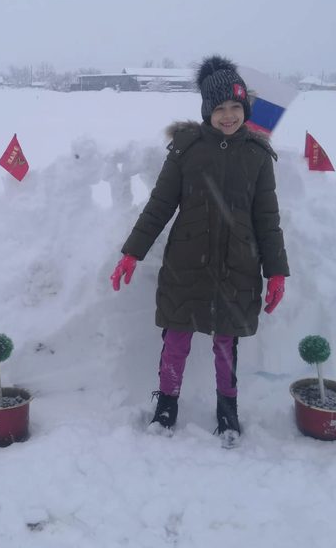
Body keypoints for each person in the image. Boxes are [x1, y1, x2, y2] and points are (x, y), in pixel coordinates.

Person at [110, 55, 289, 446]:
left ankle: (228, 410)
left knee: (226, 341)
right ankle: (167, 403)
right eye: (220, 108)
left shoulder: (257, 156)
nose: (228, 116)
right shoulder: (187, 149)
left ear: (246, 109)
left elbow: (267, 219)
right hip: (186, 263)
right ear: (207, 110)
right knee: (176, 338)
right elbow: (159, 205)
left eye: (236, 107)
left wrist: (276, 271)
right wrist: (132, 252)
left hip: (237, 266)